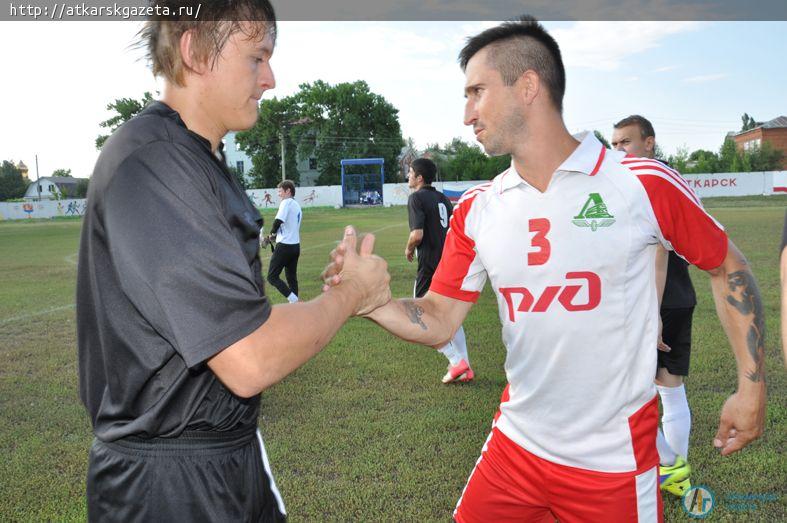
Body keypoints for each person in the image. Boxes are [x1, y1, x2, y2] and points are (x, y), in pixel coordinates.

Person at [324, 16, 765, 521]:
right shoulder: (479, 207)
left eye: (476, 92)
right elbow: (440, 316)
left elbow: (729, 267)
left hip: (613, 464)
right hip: (515, 448)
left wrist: (751, 386)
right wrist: (376, 302)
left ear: (528, 86)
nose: (466, 113)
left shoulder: (639, 183)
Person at [76, 2, 390, 521]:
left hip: (222, 458)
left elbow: (247, 322)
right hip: (169, 489)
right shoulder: (155, 162)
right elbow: (249, 357)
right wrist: (351, 292)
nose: (270, 78)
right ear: (195, 50)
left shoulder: (197, 158)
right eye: (257, 57)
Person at [612, 115, 695, 496]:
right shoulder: (667, 179)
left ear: (649, 143)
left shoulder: (648, 183)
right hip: (677, 296)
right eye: (614, 144)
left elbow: (659, 254)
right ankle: (676, 474)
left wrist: (652, 314)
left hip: (656, 300)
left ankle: (669, 467)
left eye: (625, 142)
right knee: (669, 390)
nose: (619, 151)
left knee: (626, 393)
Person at [406, 158, 472, 383]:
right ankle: (466, 366)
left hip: (429, 263)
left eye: (410, 172)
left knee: (418, 312)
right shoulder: (443, 198)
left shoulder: (416, 198)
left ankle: (456, 361)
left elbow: (417, 234)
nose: (408, 176)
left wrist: (408, 249)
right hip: (449, 262)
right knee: (451, 314)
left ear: (419, 178)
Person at [267, 179, 302, 303]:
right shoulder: (296, 205)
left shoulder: (286, 203)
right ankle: (296, 307)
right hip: (295, 246)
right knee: (291, 278)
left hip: (285, 247)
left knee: (272, 276)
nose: (279, 194)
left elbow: (278, 221)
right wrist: (275, 237)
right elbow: (288, 227)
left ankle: (294, 300)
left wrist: (271, 234)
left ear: (288, 191)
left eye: (280, 191)